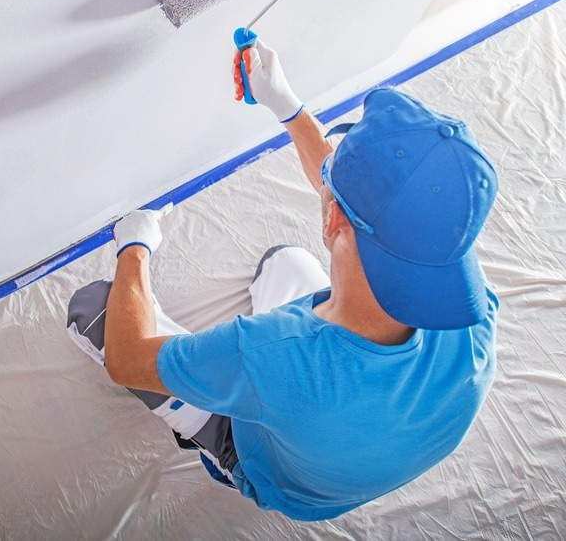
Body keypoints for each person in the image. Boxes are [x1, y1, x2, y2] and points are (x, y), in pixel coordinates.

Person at [66, 40, 499, 521]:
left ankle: (214, 444)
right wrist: (286, 105)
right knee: (283, 263)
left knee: (95, 308)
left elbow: (127, 362)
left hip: (278, 476)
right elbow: (358, 201)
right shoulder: (461, 294)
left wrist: (135, 245)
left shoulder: (272, 353)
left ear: (332, 218)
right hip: (349, 454)